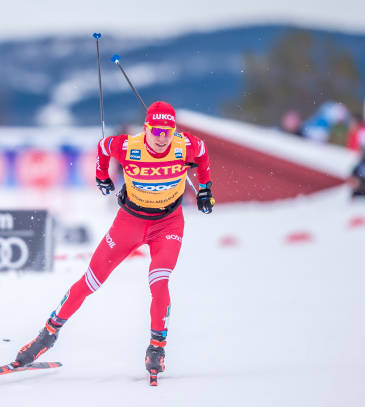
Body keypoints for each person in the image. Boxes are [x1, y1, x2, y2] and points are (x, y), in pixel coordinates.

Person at [14, 101, 215, 383]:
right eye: (155, 130)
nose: (161, 137)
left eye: (167, 130)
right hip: (129, 223)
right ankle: (47, 335)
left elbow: (203, 155)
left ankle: (156, 348)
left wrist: (205, 189)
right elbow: (103, 147)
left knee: (159, 282)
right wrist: (101, 177)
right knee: (91, 281)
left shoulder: (187, 146)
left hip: (167, 224)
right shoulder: (128, 146)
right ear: (146, 128)